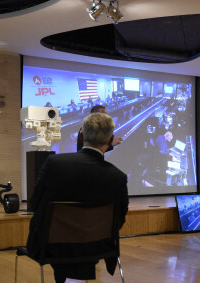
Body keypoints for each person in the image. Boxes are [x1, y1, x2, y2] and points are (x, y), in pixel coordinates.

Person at [26, 112, 129, 283]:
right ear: (111, 140)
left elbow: (34, 204)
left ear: (81, 135)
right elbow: (119, 219)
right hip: (97, 247)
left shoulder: (54, 164)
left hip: (51, 247)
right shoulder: (117, 176)